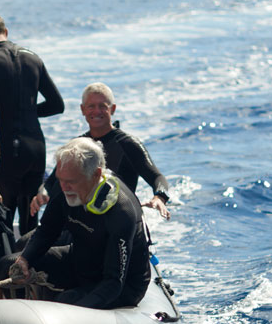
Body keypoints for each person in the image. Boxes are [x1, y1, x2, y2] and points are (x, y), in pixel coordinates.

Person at [10, 137, 151, 309]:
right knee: (7, 265)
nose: (63, 187)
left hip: (122, 285)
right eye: (60, 180)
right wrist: (25, 260)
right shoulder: (65, 188)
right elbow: (47, 231)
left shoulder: (121, 211)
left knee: (66, 299)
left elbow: (114, 283)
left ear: (96, 174)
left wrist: (75, 311)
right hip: (81, 263)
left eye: (71, 182)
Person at [0, 12, 64, 234]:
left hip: (5, 150)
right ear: (5, 32)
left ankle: (6, 266)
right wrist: (28, 113)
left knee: (2, 217)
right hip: (35, 147)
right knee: (30, 218)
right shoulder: (33, 58)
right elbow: (56, 105)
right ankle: (31, 265)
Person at [31, 82, 171, 222]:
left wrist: (159, 197)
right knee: (24, 242)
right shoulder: (77, 145)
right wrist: (43, 193)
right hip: (82, 223)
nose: (96, 111)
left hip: (117, 221)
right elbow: (52, 182)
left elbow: (156, 177)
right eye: (91, 106)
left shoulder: (128, 144)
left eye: (102, 106)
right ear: (82, 109)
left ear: (113, 109)